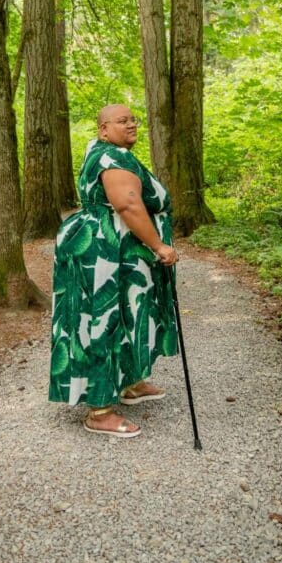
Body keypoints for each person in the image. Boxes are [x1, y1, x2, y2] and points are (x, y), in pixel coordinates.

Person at [48, 103, 179, 438]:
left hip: (117, 252)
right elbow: (128, 205)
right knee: (103, 319)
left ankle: (129, 382)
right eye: (122, 121)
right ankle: (100, 410)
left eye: (133, 119)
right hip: (104, 254)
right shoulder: (111, 158)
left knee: (129, 314)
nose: (132, 124)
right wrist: (159, 246)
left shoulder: (109, 152)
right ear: (103, 129)